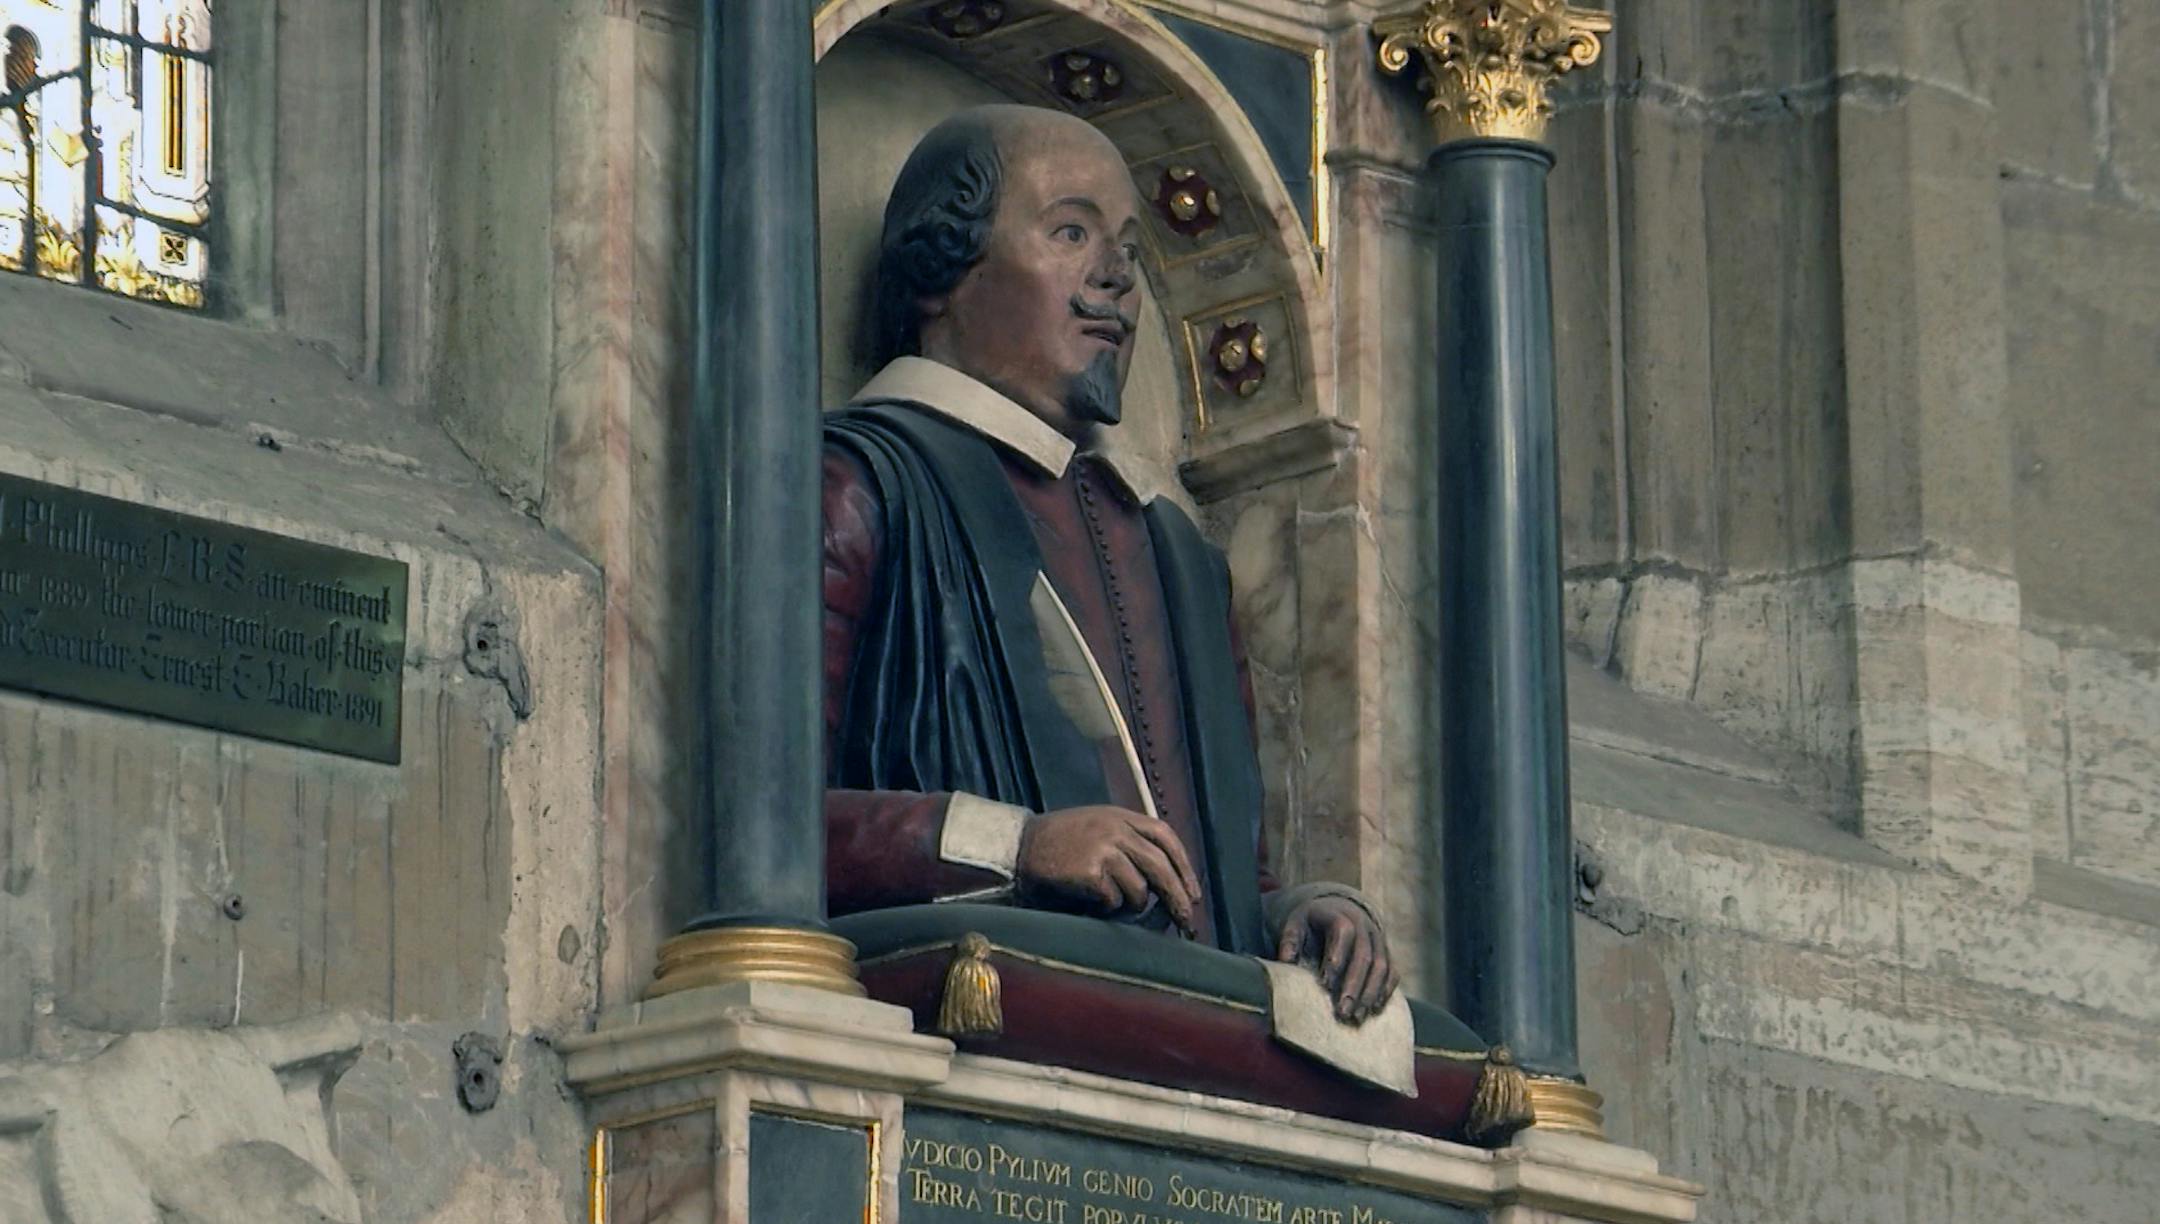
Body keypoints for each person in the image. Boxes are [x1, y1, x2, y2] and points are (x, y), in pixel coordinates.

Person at [821, 104, 1397, 1024]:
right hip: (970, 1018)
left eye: (1126, 246)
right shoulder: (859, 483)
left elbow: (1220, 881)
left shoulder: (1176, 555)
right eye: (1070, 232)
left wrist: (1296, 915)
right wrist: (1020, 846)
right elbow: (766, 827)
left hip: (1173, 1028)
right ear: (941, 269)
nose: (1117, 279)